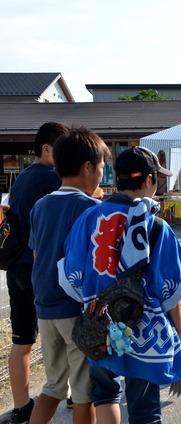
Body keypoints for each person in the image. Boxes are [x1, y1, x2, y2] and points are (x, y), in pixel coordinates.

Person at [58, 146, 181, 423]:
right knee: (145, 410)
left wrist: (94, 300)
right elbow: (170, 287)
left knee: (105, 393)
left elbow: (71, 276)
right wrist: (179, 328)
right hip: (143, 328)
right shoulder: (155, 226)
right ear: (148, 181)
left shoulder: (88, 218)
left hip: (98, 324)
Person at [29, 128, 111, 424]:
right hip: (76, 311)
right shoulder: (92, 209)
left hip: (45, 307)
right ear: (87, 167)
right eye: (102, 167)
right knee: (83, 392)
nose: (103, 174)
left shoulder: (40, 206)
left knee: (52, 385)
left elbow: (37, 257)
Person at [6, 122, 66, 423]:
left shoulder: (22, 177)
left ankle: (20, 407)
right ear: (47, 149)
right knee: (66, 335)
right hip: (38, 269)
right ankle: (73, 394)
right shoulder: (51, 178)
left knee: (21, 340)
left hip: (14, 268)